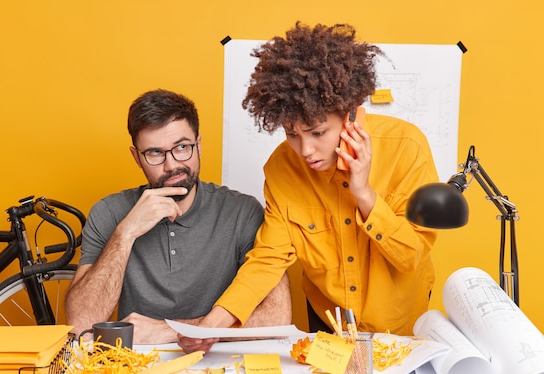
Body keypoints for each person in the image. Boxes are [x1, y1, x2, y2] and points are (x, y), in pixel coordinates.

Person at [179, 22, 439, 353]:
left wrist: (364, 194)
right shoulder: (281, 168)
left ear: (351, 117)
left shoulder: (406, 147)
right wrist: (212, 325)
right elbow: (268, 258)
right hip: (329, 327)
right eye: (291, 134)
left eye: (318, 133)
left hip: (399, 325)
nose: (305, 151)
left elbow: (411, 256)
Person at [65, 89, 291, 344]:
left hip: (222, 365)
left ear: (199, 145)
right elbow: (80, 325)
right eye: (155, 153)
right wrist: (125, 233)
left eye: (182, 147)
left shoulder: (242, 211)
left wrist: (170, 331)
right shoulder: (109, 212)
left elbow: (276, 319)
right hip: (139, 365)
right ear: (136, 157)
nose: (172, 165)